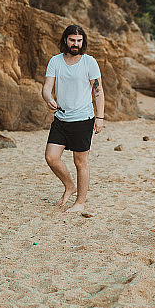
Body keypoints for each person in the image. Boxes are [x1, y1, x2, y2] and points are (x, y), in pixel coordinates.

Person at [42, 24, 105, 212]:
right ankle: (69, 185)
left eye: (79, 40)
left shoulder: (89, 62)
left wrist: (99, 118)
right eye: (72, 40)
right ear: (65, 40)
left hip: (83, 119)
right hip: (61, 118)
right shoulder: (55, 61)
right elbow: (47, 87)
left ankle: (80, 202)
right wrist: (48, 98)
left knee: (80, 162)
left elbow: (99, 92)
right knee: (51, 157)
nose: (76, 44)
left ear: (83, 42)